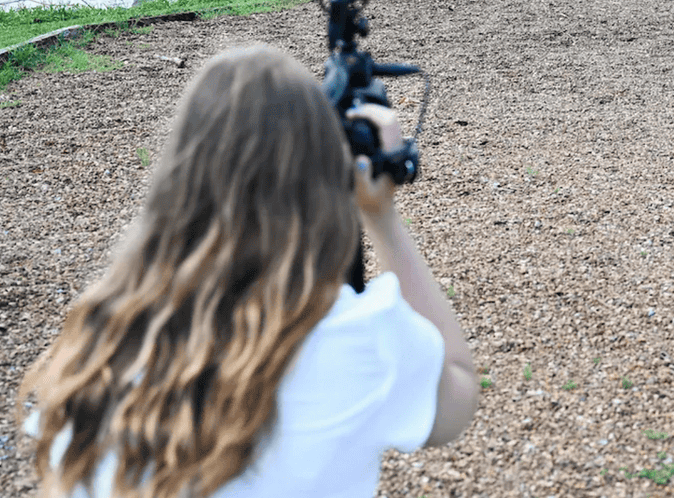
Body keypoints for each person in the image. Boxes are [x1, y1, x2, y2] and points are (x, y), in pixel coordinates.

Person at [19, 46, 477, 498]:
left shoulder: (97, 341)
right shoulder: (355, 334)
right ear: (320, 180)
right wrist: (383, 218)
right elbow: (457, 392)